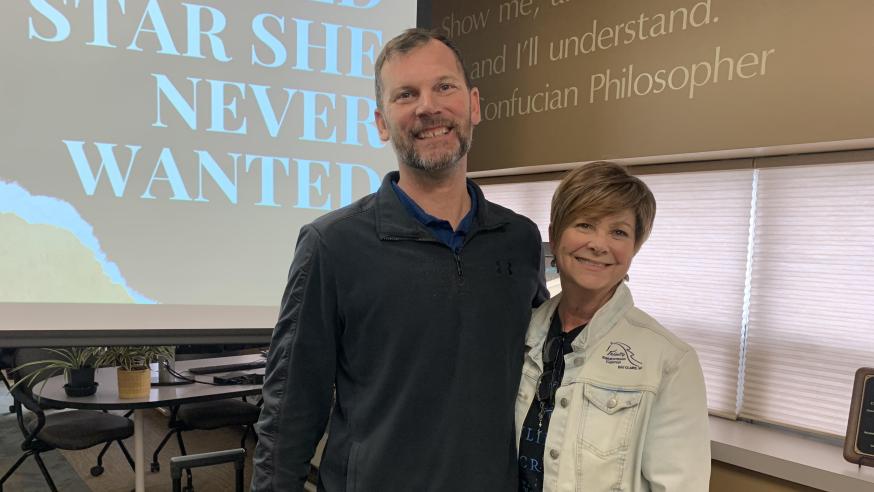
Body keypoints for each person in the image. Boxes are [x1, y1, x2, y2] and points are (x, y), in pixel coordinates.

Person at [252, 28, 549, 492]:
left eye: (444, 86)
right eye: (406, 94)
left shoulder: (519, 240)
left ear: (473, 105)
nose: (428, 107)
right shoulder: (332, 245)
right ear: (382, 123)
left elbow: (542, 373)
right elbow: (290, 410)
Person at [515, 162, 710, 491]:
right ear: (554, 235)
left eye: (618, 232)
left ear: (635, 246)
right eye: (585, 224)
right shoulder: (520, 333)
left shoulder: (669, 362)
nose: (599, 244)